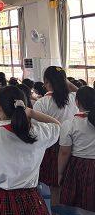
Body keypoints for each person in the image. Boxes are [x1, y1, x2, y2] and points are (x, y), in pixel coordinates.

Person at [0, 86, 61, 215]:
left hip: (3, 201)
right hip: (33, 201)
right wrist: (31, 112)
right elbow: (58, 125)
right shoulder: (39, 132)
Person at [32, 66, 78, 206]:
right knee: (71, 187)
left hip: (51, 147)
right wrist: (66, 82)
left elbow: (37, 130)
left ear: (45, 81)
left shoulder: (41, 103)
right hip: (73, 146)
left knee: (55, 190)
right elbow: (84, 93)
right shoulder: (73, 98)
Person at [58, 86, 95, 215]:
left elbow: (64, 152)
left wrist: (60, 173)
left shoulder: (70, 124)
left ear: (77, 102)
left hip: (81, 168)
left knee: (85, 210)